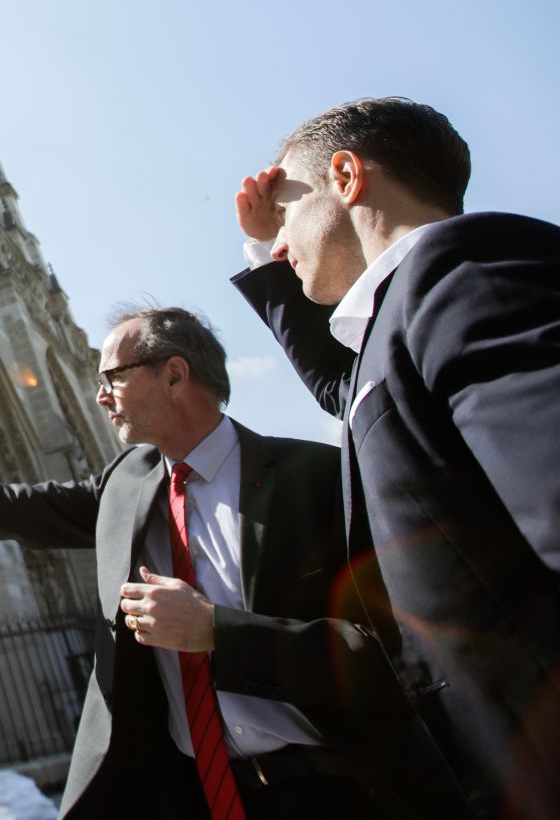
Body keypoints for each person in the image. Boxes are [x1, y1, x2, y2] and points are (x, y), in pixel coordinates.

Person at [0, 306, 469, 820]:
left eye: (112, 375)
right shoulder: (126, 483)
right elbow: (6, 506)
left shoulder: (320, 476)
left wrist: (219, 632)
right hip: (181, 793)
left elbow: (401, 656)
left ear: (174, 374)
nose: (100, 394)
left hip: (331, 792)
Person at [232, 96, 560, 818]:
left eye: (285, 212)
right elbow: (346, 388)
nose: (281, 239)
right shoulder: (409, 314)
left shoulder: (465, 274)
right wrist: (264, 249)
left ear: (346, 175)